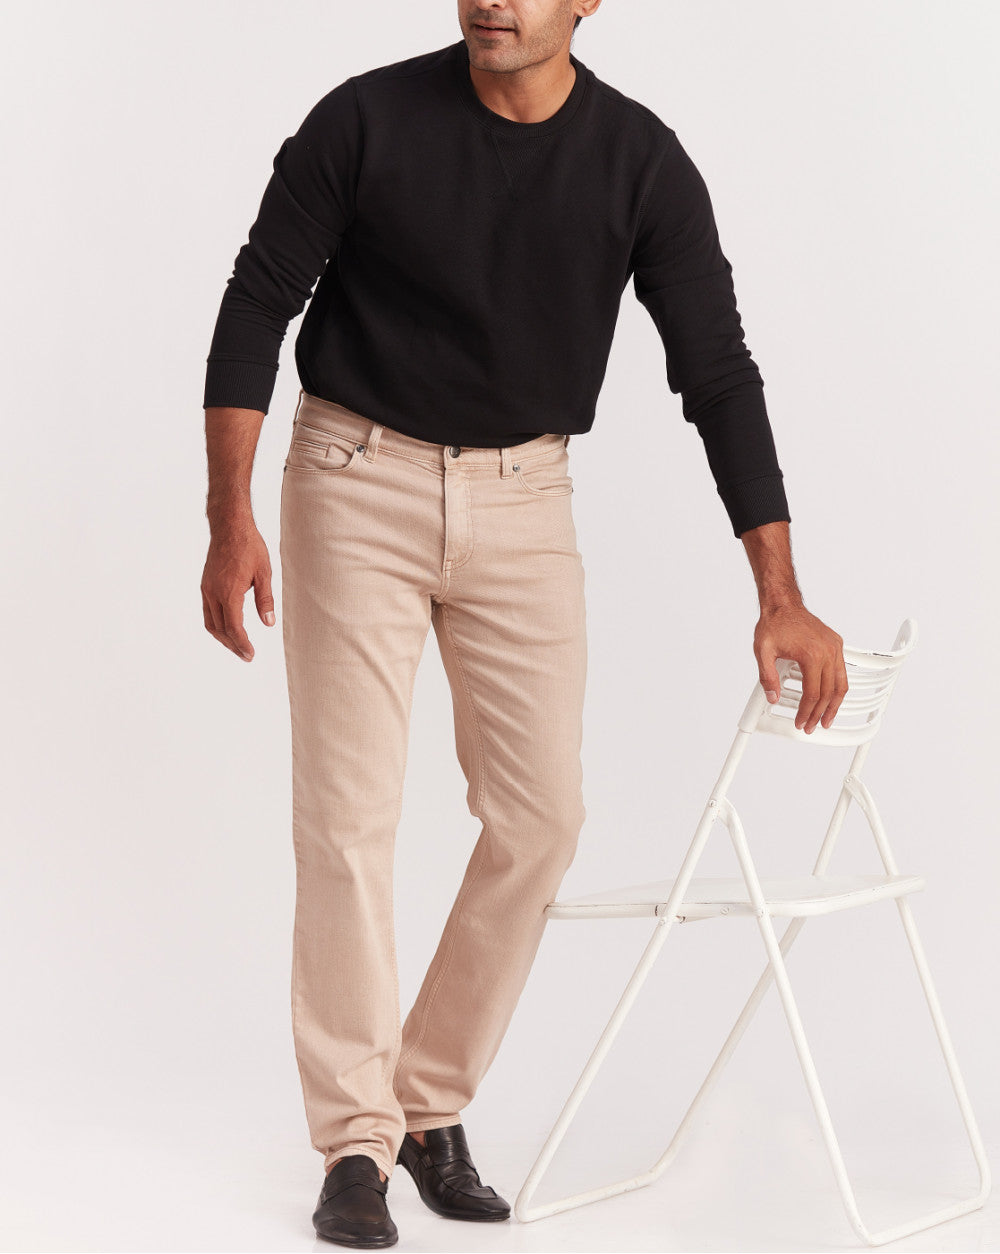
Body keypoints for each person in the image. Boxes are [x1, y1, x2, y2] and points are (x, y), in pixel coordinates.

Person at [200, 1, 848, 1246]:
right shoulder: (364, 120)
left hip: (524, 494)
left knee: (541, 819)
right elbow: (255, 303)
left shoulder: (640, 162)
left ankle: (427, 1100)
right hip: (353, 476)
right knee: (347, 818)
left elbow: (716, 371)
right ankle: (355, 1142)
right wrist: (231, 514)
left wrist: (778, 591)